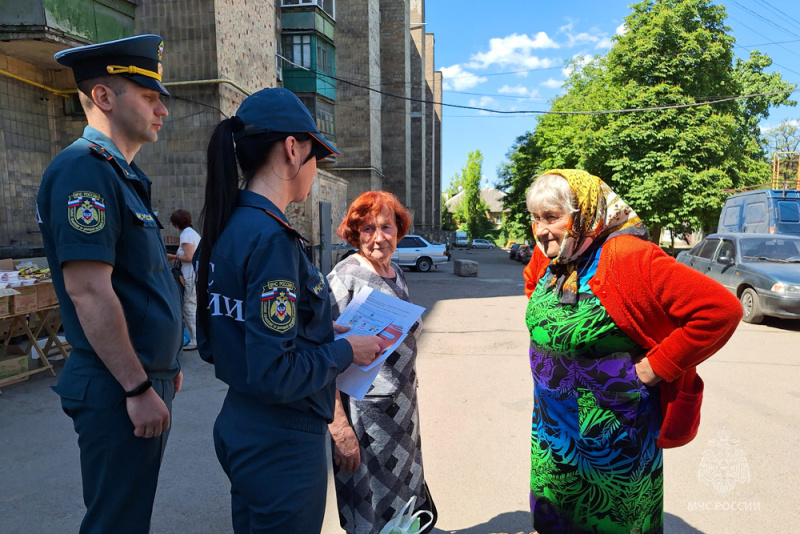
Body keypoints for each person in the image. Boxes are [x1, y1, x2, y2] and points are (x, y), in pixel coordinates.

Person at [195, 88, 383, 533]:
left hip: (241, 421)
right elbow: (273, 372)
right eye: (317, 155)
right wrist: (344, 352)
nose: (316, 170)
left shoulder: (228, 225)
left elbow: (216, 341)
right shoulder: (272, 239)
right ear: (293, 149)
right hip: (280, 438)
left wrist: (315, 327)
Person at [522, 169, 742, 534]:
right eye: (536, 218)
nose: (542, 229)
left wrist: (657, 366)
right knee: (556, 517)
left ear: (584, 215)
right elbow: (533, 286)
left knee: (612, 522)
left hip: (613, 434)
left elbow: (721, 310)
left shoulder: (628, 256)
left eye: (552, 217)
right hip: (551, 428)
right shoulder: (550, 256)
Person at [36, 35, 183, 534]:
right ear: (103, 97)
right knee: (116, 524)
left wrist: (165, 367)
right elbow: (89, 291)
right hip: (117, 385)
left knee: (127, 518)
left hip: (138, 379)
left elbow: (138, 284)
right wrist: (139, 384)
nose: (161, 108)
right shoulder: (85, 171)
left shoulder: (121, 175)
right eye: (148, 96)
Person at [327, 191, 437, 534]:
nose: (378, 237)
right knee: (371, 506)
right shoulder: (343, 277)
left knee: (404, 502)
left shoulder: (396, 273)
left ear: (398, 229)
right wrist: (338, 428)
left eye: (386, 227)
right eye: (368, 229)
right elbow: (323, 356)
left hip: (403, 415)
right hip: (366, 420)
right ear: (355, 233)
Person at [166, 209, 201, 350]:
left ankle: (194, 340)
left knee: (188, 306)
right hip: (195, 273)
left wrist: (172, 256)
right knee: (193, 305)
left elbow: (189, 257)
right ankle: (197, 337)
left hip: (189, 274)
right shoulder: (193, 233)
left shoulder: (186, 236)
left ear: (176, 224)